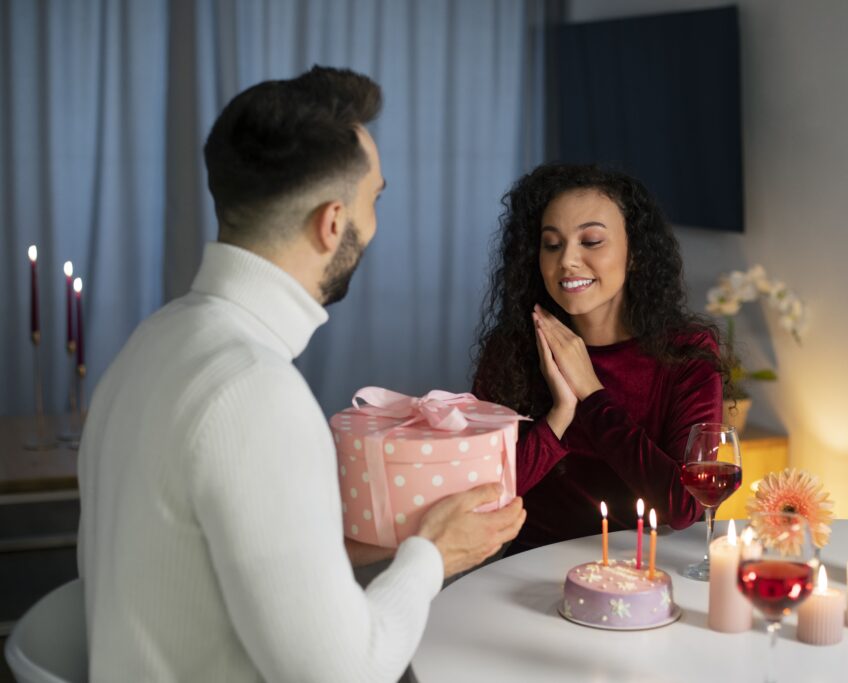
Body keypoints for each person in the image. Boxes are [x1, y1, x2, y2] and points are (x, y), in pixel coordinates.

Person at [77, 66, 525, 682]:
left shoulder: (156, 339)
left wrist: (387, 538)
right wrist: (432, 556)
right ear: (332, 222)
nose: (374, 225)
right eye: (376, 200)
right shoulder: (256, 393)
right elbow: (344, 673)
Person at [472, 162, 725, 554]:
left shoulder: (686, 356)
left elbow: (684, 505)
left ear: (635, 253)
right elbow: (485, 495)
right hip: (524, 568)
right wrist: (560, 414)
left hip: (640, 571)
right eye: (552, 244)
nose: (567, 260)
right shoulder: (513, 350)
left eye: (591, 241)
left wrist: (591, 393)